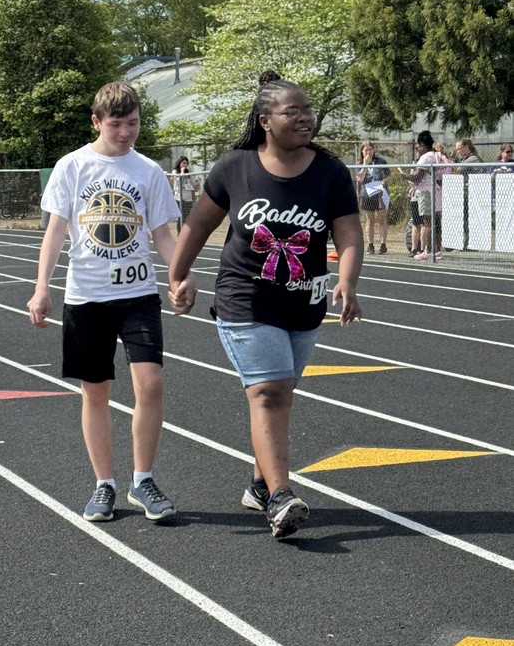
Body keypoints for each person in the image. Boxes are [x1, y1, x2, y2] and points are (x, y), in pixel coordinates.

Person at [168, 71, 363, 540]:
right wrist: (178, 273)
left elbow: (349, 233)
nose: (305, 118)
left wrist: (348, 282)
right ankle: (280, 496)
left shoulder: (330, 172)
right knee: (269, 392)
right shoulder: (234, 167)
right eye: (292, 111)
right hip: (244, 297)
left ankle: (259, 483)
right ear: (265, 121)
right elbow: (197, 226)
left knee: (281, 395)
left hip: (303, 303)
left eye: (308, 110)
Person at [26, 81, 195, 523]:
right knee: (95, 392)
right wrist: (42, 286)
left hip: (138, 295)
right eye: (117, 124)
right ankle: (105, 485)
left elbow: (162, 233)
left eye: (133, 124)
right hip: (87, 297)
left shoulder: (149, 172)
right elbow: (57, 231)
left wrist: (180, 276)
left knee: (151, 385)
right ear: (96, 121)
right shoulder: (73, 166)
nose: (125, 133)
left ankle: (144, 479)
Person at [398, 131, 451, 261]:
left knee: (426, 222)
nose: (417, 148)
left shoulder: (425, 157)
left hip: (426, 192)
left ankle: (427, 250)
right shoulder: (434, 155)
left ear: (424, 146)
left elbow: (417, 178)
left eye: (418, 146)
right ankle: (436, 250)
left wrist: (404, 176)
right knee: (434, 222)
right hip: (435, 191)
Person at [355, 141, 391, 255]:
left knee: (382, 219)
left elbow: (389, 177)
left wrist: (383, 182)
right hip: (366, 194)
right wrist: (365, 165)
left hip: (381, 194)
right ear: (362, 151)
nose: (368, 152)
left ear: (374, 150)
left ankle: (383, 244)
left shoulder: (381, 161)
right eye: (366, 150)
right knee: (369, 220)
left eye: (370, 149)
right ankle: (370, 245)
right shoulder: (359, 164)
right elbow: (359, 179)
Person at [171, 156, 199, 234]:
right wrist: (182, 172)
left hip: (188, 197)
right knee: (181, 217)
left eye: (186, 163)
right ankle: (180, 234)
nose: (185, 165)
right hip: (179, 198)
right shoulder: (175, 172)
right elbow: (179, 182)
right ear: (179, 164)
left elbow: (194, 184)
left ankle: (185, 234)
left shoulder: (189, 172)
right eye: (183, 163)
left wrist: (190, 174)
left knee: (187, 217)